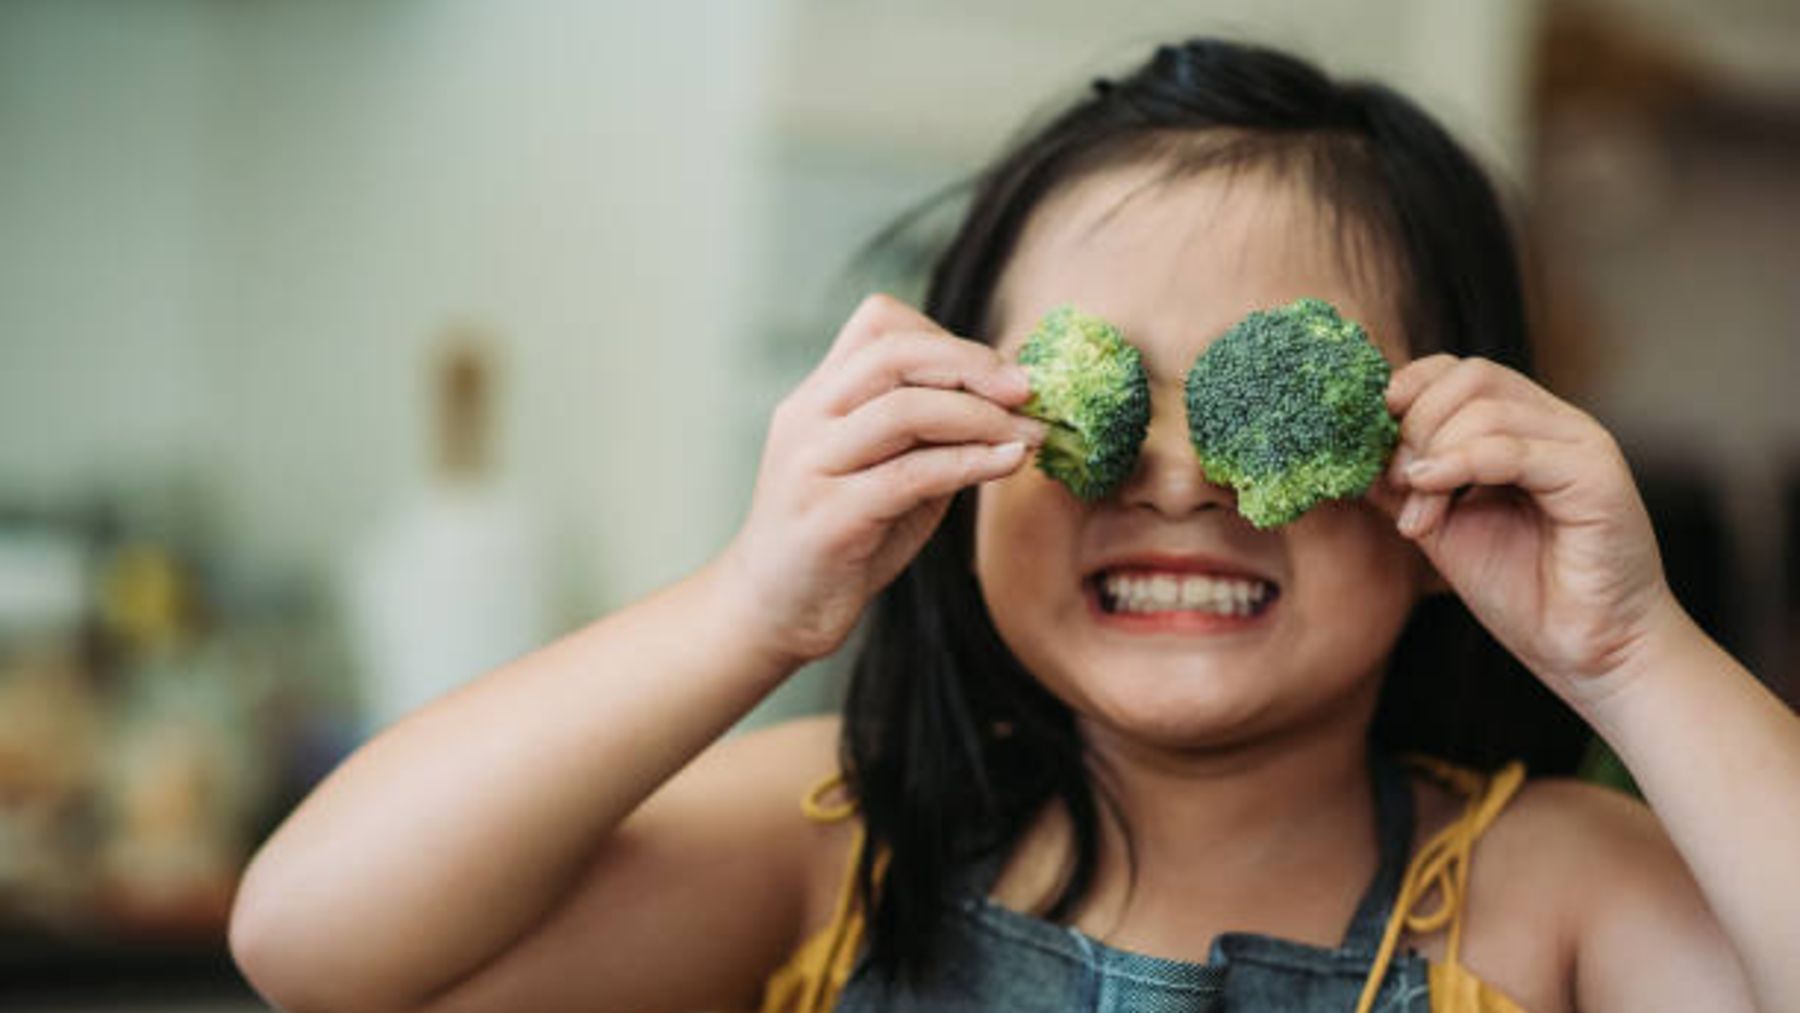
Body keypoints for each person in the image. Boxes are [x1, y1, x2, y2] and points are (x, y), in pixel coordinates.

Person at [228, 39, 1797, 1013]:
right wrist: (748, 607)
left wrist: (1632, 652)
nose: (1174, 476)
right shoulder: (841, 845)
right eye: (1090, 393)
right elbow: (312, 942)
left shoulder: (1558, 887)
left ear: (1443, 474)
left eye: (1273, 406)